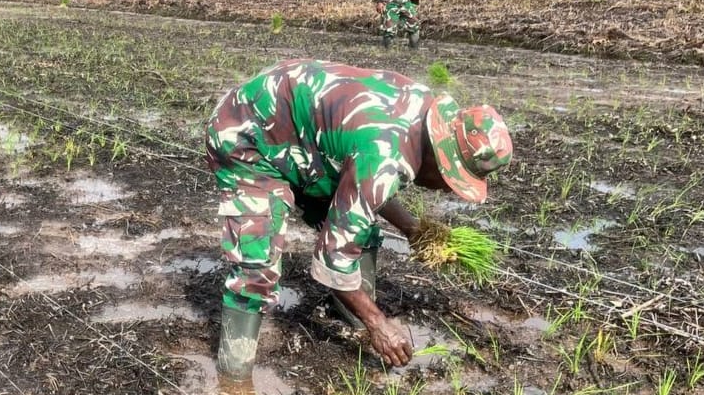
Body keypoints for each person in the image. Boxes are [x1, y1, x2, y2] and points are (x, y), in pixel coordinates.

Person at [205, 59, 512, 378]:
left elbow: (362, 185)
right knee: (258, 266)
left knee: (359, 230)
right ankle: (234, 379)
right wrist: (379, 324)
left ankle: (351, 321)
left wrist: (412, 229)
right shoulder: (385, 158)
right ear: (441, 160)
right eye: (452, 182)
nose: (447, 191)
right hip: (246, 134)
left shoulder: (422, 112)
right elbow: (332, 260)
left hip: (305, 138)